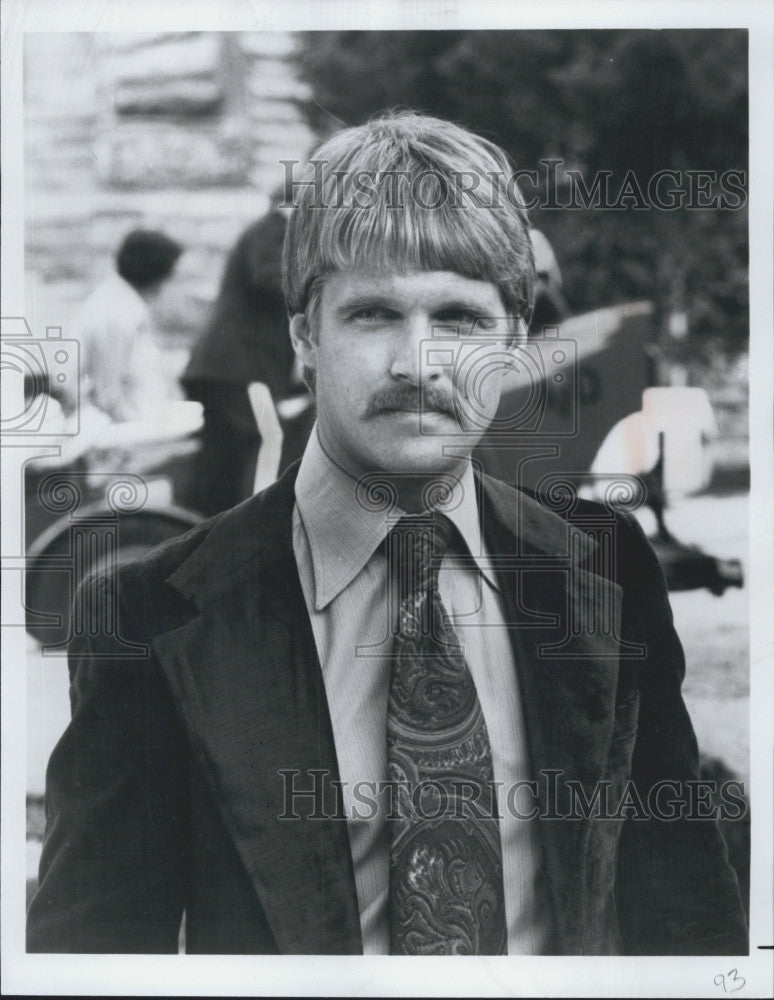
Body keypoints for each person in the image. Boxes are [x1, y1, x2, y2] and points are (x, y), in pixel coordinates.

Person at [27, 111, 747, 956]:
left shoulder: (605, 565)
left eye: (460, 317)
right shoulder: (154, 612)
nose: (420, 362)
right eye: (373, 314)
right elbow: (97, 952)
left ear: (515, 338)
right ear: (305, 334)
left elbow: (683, 907)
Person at [181, 206, 313, 516]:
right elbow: (266, 276)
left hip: (229, 368)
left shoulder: (272, 229)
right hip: (241, 367)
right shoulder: (275, 228)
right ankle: (254, 527)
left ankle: (198, 525)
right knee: (270, 438)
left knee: (223, 453)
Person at [72, 229, 183, 423]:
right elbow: (108, 397)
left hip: (137, 419)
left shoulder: (120, 301)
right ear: (157, 274)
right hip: (121, 430)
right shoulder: (118, 312)